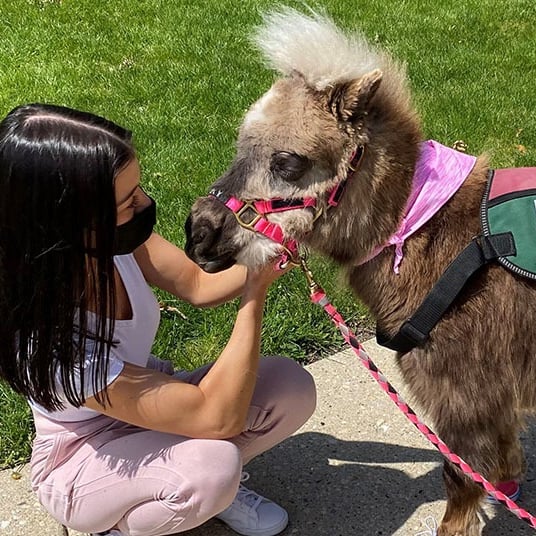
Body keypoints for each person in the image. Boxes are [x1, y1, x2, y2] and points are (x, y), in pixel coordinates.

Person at [0, 103, 317, 536]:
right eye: (128, 200)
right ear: (69, 223)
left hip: (143, 407)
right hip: (83, 452)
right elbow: (216, 417)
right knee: (212, 467)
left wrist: (273, 245)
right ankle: (122, 521)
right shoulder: (51, 344)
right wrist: (253, 295)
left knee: (290, 387)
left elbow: (197, 283)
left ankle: (193, 490)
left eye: (138, 188)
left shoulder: (111, 238)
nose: (145, 203)